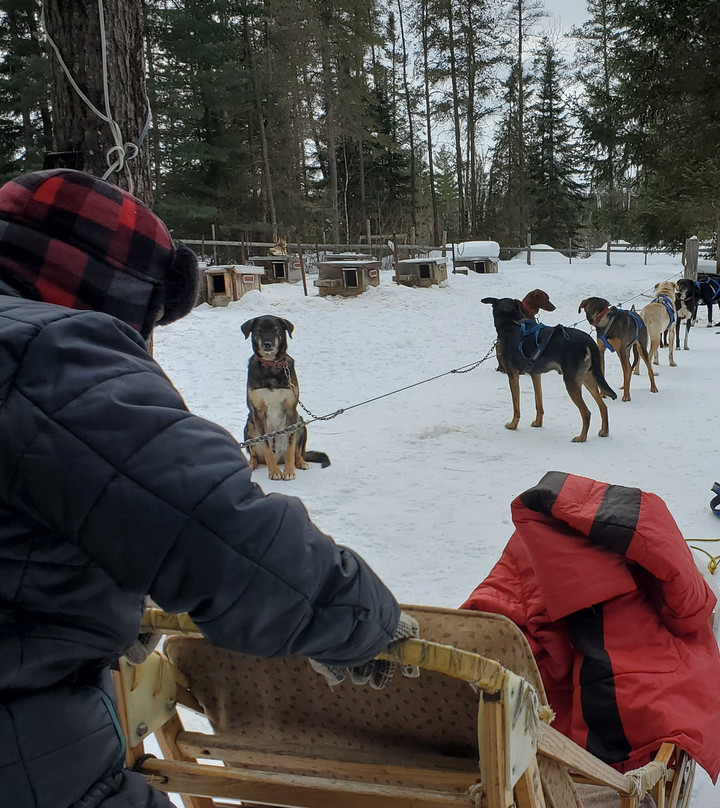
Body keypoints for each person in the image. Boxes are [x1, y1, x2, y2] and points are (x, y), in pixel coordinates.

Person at [0, 169, 416, 808]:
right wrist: (358, 617)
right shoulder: (52, 351)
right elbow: (217, 530)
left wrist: (103, 607)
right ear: (115, 297)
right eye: (148, 323)